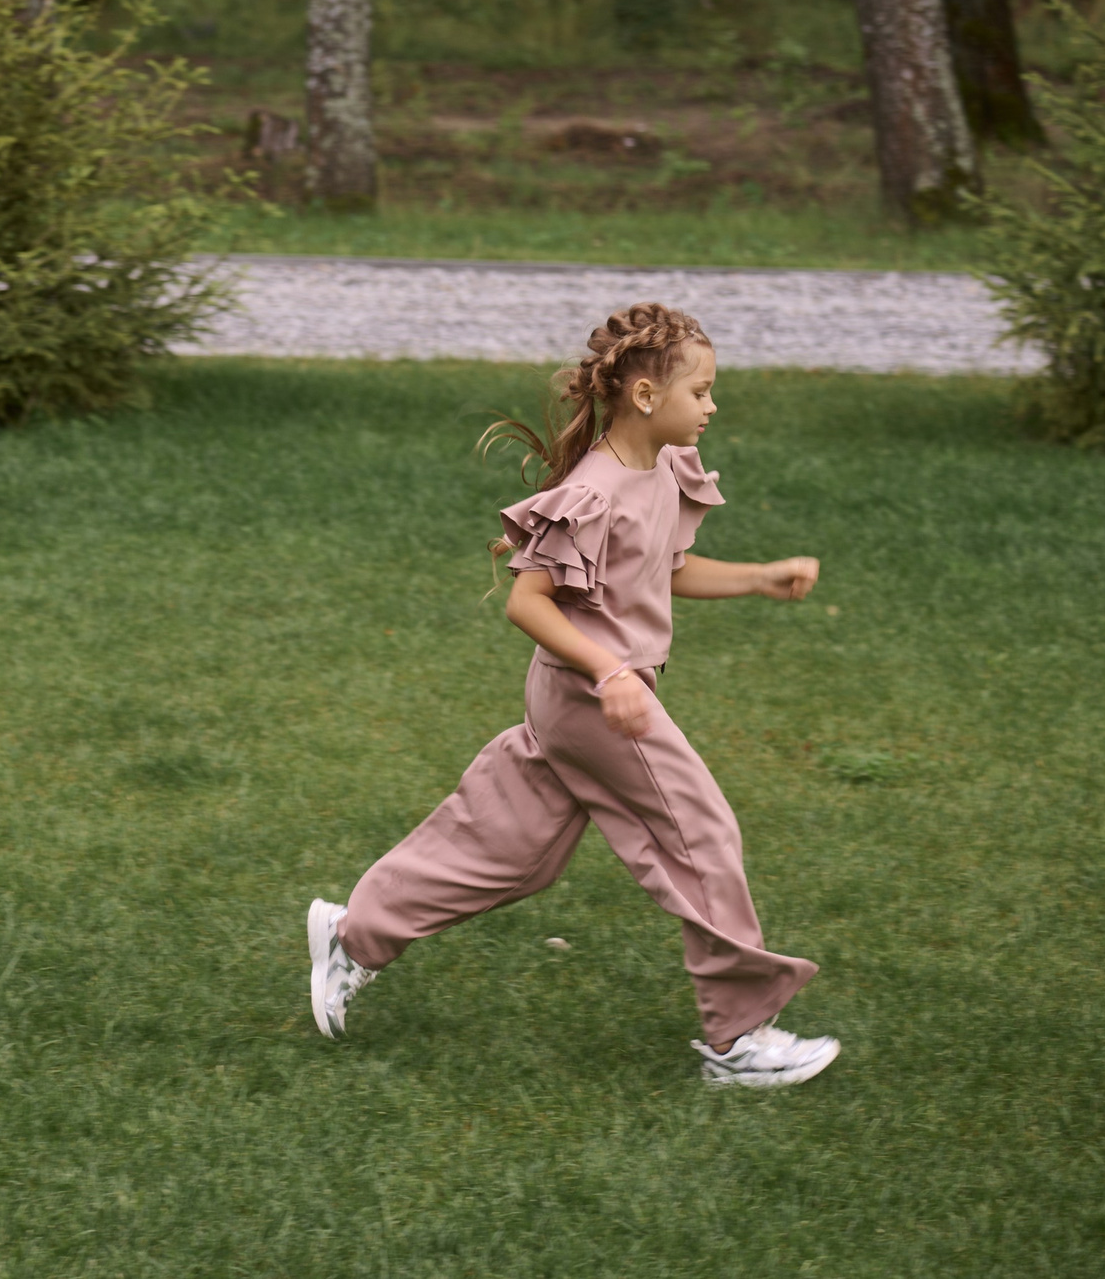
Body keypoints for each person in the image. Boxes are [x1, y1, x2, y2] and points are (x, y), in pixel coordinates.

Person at [305, 303, 841, 1087]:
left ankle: (356, 936)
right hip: (596, 701)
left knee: (511, 851)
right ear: (648, 396)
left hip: (587, 696)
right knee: (701, 837)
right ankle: (740, 1039)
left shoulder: (659, 469)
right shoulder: (594, 490)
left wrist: (759, 578)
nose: (714, 405)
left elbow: (667, 569)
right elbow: (529, 602)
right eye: (703, 390)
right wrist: (612, 673)